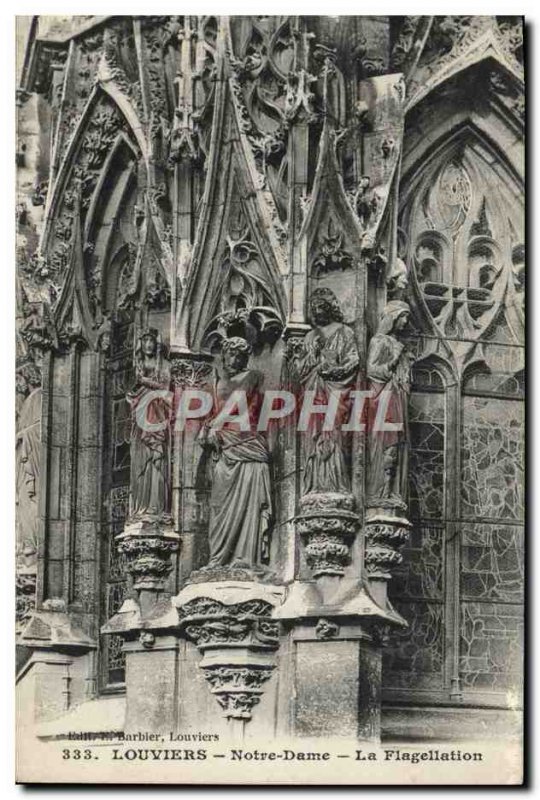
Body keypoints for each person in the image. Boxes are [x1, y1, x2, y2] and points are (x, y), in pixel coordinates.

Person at [199, 337, 273, 567]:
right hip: (224, 449)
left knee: (247, 506)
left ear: (245, 358)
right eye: (229, 354)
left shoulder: (252, 377)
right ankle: (218, 558)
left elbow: (236, 403)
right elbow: (211, 413)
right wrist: (206, 427)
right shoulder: (216, 383)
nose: (232, 359)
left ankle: (244, 558)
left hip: (246, 444)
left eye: (238, 355)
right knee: (219, 505)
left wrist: (214, 426)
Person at [289, 287, 359, 494]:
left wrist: (333, 369)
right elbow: (300, 371)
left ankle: (336, 483)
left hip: (336, 391)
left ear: (331, 308)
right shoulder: (310, 337)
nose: (317, 311)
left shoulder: (345, 332)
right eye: (313, 307)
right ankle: (315, 484)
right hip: (313, 391)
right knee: (312, 435)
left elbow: (353, 360)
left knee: (335, 433)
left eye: (321, 306)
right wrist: (312, 356)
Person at [366, 300, 412, 504]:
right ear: (392, 317)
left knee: (398, 444)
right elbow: (372, 370)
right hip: (383, 399)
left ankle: (394, 490)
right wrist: (395, 359)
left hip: (398, 397)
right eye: (403, 316)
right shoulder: (380, 341)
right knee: (386, 443)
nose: (406, 321)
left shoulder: (397, 344)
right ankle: (380, 490)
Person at [127, 328, 171, 520]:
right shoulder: (137, 366)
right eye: (145, 340)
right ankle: (141, 506)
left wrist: (145, 381)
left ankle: (157, 505)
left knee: (157, 455)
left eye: (151, 340)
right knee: (141, 458)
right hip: (141, 412)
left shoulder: (163, 365)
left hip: (158, 410)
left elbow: (166, 387)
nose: (148, 344)